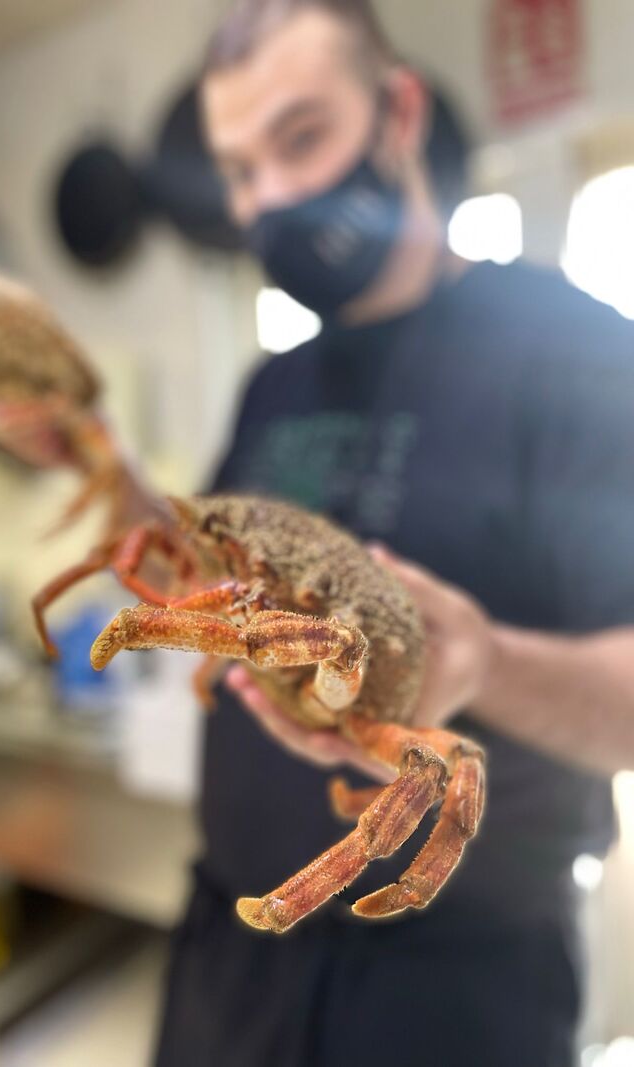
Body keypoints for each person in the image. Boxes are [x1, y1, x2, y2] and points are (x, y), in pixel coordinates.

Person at [153, 3, 634, 1065]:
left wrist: (483, 658)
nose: (271, 197)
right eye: (240, 171)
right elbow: (203, 576)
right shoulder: (270, 384)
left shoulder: (580, 354)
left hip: (453, 991)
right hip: (227, 959)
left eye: (301, 138)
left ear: (399, 112)